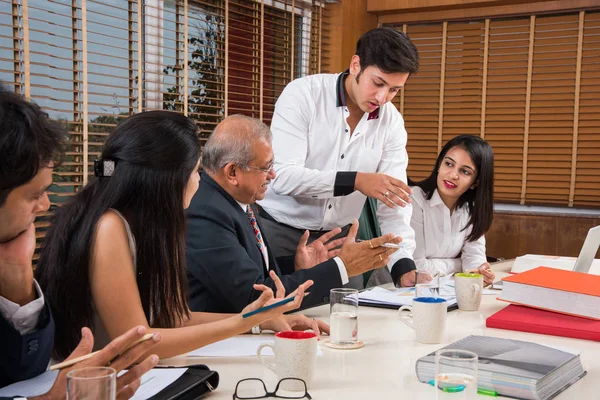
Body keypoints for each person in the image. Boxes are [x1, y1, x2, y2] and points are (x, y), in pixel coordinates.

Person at [36, 110, 319, 362]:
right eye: (195, 171)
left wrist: (263, 320)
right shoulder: (110, 227)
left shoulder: (156, 228)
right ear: (166, 180)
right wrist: (243, 323)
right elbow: (137, 343)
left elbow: (173, 318)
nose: (199, 180)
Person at [0, 87, 159, 398]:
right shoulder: (109, 225)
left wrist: (18, 284)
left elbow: (20, 375)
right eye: (34, 194)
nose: (45, 205)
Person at [185, 115, 401, 314]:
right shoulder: (206, 213)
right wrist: (342, 267)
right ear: (233, 172)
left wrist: (297, 267)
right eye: (266, 167)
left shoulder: (237, 198)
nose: (273, 174)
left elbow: (255, 274)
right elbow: (256, 298)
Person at [256, 27, 420, 288]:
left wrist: (403, 265)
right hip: (281, 231)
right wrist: (355, 180)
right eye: (377, 83)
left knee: (348, 316)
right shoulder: (303, 95)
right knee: (280, 319)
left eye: (394, 90)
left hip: (342, 240)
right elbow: (283, 177)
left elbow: (395, 202)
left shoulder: (391, 123)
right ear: (356, 65)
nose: (383, 98)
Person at [409, 135, 496, 287]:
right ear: (439, 165)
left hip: (439, 289)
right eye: (449, 164)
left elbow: (474, 256)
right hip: (393, 289)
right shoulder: (414, 199)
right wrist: (460, 264)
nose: (453, 175)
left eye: (465, 172)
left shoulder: (471, 209)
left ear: (475, 182)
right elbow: (416, 266)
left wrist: (479, 272)